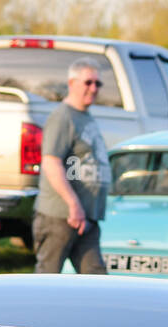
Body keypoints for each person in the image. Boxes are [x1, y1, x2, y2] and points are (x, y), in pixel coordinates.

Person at [33, 58, 110, 275]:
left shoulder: (85, 117)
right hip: (61, 216)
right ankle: (36, 310)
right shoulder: (62, 117)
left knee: (97, 280)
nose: (94, 88)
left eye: (98, 83)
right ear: (72, 83)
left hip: (85, 218)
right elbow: (51, 162)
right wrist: (73, 204)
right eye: (88, 82)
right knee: (47, 278)